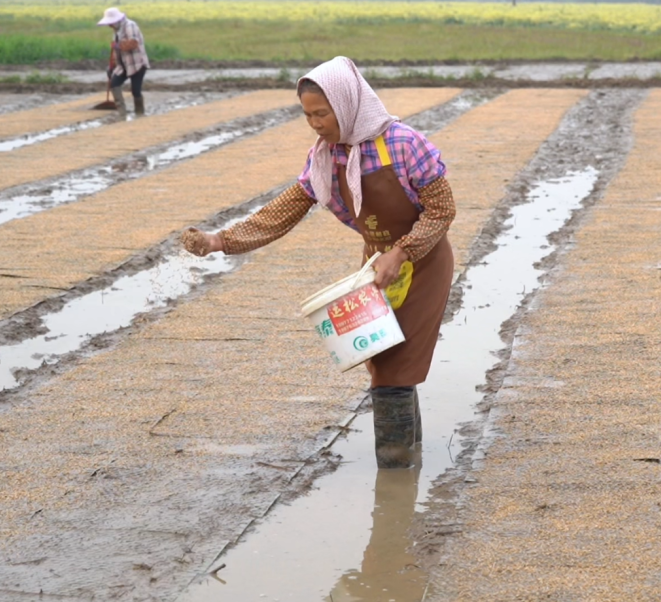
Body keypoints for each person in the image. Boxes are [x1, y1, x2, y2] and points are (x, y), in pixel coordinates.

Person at [181, 57, 456, 470]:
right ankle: (406, 459)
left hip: (423, 262)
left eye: (322, 113)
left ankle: (395, 472)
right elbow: (284, 210)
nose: (314, 124)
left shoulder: (402, 143)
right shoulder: (327, 157)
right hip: (376, 264)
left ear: (346, 105)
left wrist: (401, 252)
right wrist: (220, 240)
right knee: (384, 359)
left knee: (394, 367)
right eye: (307, 115)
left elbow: (442, 210)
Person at [97, 7, 150, 116]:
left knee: (135, 91)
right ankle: (122, 112)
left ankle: (139, 113)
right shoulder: (117, 30)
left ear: (116, 20)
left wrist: (118, 45)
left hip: (137, 63)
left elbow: (133, 43)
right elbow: (117, 52)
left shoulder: (130, 25)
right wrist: (112, 65)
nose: (109, 25)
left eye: (110, 23)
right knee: (114, 84)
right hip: (123, 65)